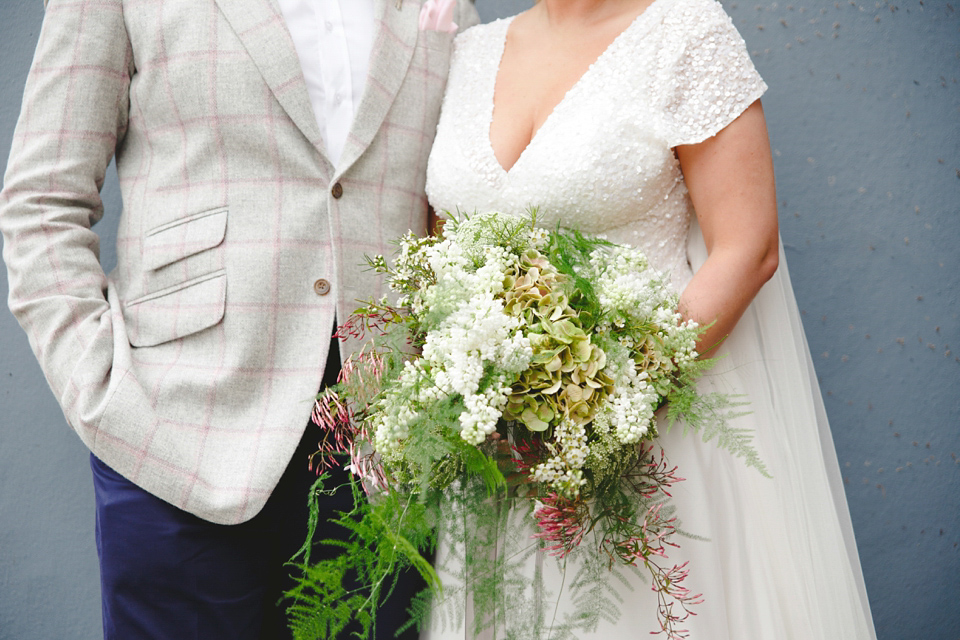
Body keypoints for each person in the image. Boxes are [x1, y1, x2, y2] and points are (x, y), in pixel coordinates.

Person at [0, 0, 477, 638]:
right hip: (176, 439)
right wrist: (100, 393)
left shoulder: (445, 10)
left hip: (382, 459)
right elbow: (42, 201)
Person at [422, 0, 878, 637]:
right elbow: (443, 249)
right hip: (498, 453)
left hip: (651, 438)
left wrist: (602, 416)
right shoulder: (471, 50)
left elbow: (748, 248)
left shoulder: (685, 32)